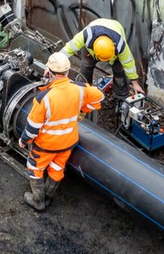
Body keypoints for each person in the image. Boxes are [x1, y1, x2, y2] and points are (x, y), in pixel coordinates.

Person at [18, 53, 103, 210]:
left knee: (35, 168)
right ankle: (48, 197)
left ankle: (38, 201)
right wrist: (83, 109)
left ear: (48, 72)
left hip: (46, 145)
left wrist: (23, 141)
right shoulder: (80, 89)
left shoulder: (43, 98)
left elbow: (32, 128)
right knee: (57, 168)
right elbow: (99, 97)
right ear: (68, 72)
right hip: (68, 142)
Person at [60, 18, 143, 100]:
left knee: (119, 73)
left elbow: (129, 63)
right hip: (92, 47)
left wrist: (135, 83)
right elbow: (68, 49)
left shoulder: (120, 46)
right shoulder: (86, 36)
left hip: (115, 29)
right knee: (86, 67)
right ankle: (84, 93)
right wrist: (53, 65)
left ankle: (121, 97)